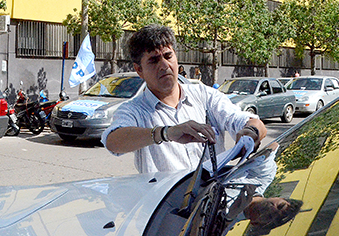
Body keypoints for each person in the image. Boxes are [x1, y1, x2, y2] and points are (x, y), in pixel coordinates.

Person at [102, 24, 267, 173]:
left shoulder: (205, 95)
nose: (164, 65)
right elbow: (113, 142)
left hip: (213, 199)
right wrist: (166, 133)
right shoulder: (134, 109)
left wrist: (249, 133)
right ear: (139, 70)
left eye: (168, 56)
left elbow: (254, 123)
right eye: (154, 60)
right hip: (168, 203)